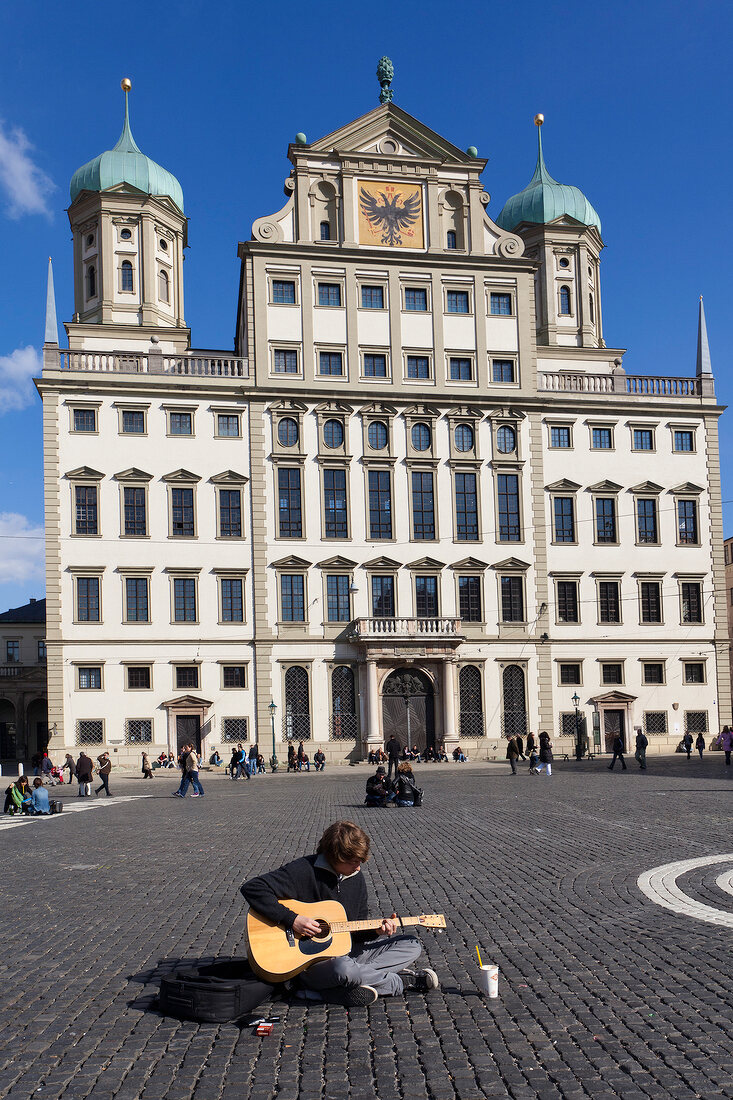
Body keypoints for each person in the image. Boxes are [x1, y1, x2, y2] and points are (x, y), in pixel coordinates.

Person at [241, 820, 438, 1006]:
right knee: (343, 969)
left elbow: (357, 932)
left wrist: (377, 931)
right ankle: (401, 982)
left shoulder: (356, 878)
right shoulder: (303, 870)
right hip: (310, 966)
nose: (359, 867)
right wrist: (293, 920)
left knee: (411, 945)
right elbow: (253, 888)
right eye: (354, 861)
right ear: (336, 857)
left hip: (348, 955)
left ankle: (342, 986)